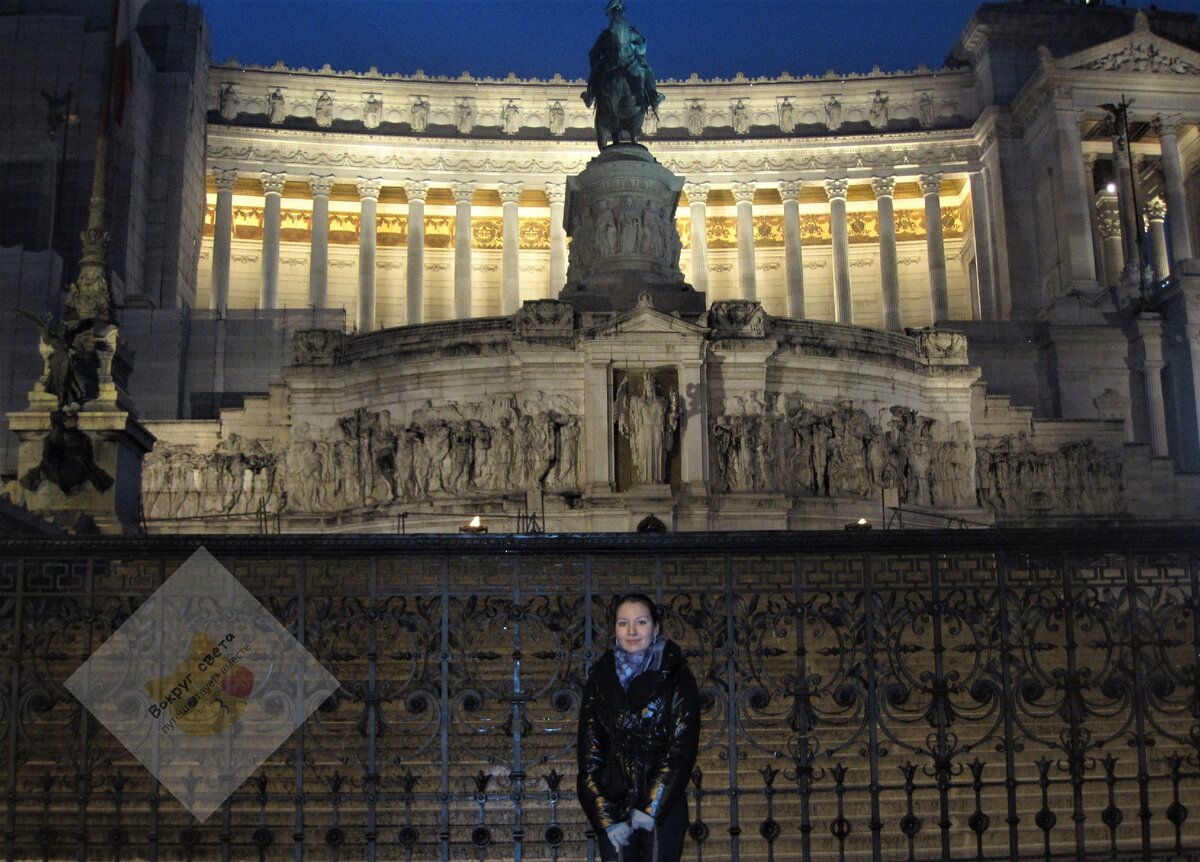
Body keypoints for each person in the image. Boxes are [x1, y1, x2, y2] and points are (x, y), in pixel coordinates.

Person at [577, 593, 699, 861]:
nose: (631, 631)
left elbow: (681, 748)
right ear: (615, 630)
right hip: (614, 806)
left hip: (663, 809)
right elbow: (589, 756)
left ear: (655, 628)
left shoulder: (676, 674)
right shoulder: (600, 678)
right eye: (623, 623)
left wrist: (651, 807)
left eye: (641, 622)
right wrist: (606, 816)